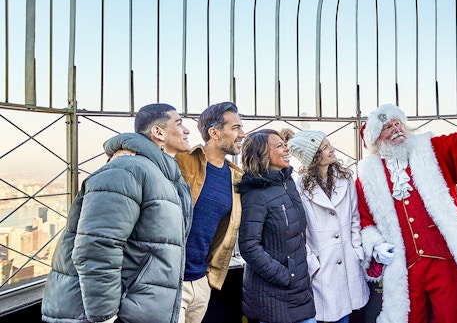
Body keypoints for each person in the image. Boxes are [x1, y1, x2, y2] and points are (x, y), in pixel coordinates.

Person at [355, 83, 457, 323]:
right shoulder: (368, 175)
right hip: (405, 269)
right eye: (387, 127)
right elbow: (365, 220)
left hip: (445, 261)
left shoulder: (432, 150)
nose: (396, 129)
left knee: (454, 317)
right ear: (376, 139)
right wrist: (375, 246)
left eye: (398, 123)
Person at [41, 103, 193, 323]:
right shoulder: (126, 169)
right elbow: (96, 247)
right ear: (158, 132)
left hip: (137, 309)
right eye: (179, 123)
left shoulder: (164, 176)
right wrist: (105, 317)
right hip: (109, 314)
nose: (187, 130)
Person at [284, 129, 369, 323]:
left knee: (347, 316)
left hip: (349, 261)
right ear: (314, 157)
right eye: (325, 147)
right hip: (323, 267)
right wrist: (313, 264)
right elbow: (299, 232)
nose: (332, 149)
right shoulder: (299, 188)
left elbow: (355, 217)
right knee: (329, 316)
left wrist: (357, 251)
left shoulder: (345, 180)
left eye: (329, 144)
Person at [174, 101, 245, 323]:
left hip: (201, 280)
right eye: (235, 128)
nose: (242, 134)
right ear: (214, 133)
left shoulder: (236, 178)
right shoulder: (181, 162)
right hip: (170, 280)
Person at [237, 129, 316, 323]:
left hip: (299, 291)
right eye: (279, 146)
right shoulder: (255, 193)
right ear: (262, 154)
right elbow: (248, 246)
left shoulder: (287, 183)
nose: (286, 148)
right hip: (272, 297)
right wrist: (285, 274)